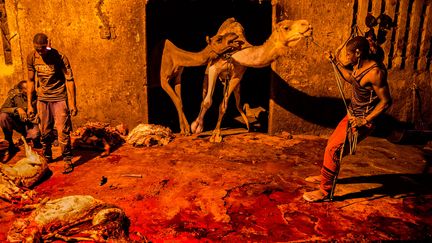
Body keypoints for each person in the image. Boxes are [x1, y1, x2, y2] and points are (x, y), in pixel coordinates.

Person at [303, 36, 392, 202]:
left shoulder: (375, 73)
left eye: (348, 54)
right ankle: (327, 174)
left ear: (357, 53)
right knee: (333, 148)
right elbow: (352, 79)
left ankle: (325, 191)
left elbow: (386, 101)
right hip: (351, 115)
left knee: (332, 149)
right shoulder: (358, 66)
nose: (346, 57)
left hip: (361, 122)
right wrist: (335, 63)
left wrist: (365, 120)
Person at [27, 33, 78, 174]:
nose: (40, 52)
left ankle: (67, 159)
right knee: (44, 131)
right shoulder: (32, 57)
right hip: (42, 99)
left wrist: (72, 103)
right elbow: (31, 81)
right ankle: (47, 155)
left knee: (62, 131)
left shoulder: (59, 57)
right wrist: (30, 105)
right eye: (37, 49)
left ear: (48, 45)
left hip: (59, 98)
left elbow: (70, 79)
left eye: (43, 48)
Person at [0, 80, 40, 162]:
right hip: (18, 124)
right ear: (21, 91)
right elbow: (3, 109)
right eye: (27, 89)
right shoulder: (15, 96)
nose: (31, 90)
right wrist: (17, 109)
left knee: (35, 135)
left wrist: (35, 116)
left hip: (31, 124)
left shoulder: (37, 95)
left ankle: (34, 142)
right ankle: (10, 144)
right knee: (3, 116)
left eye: (31, 88)